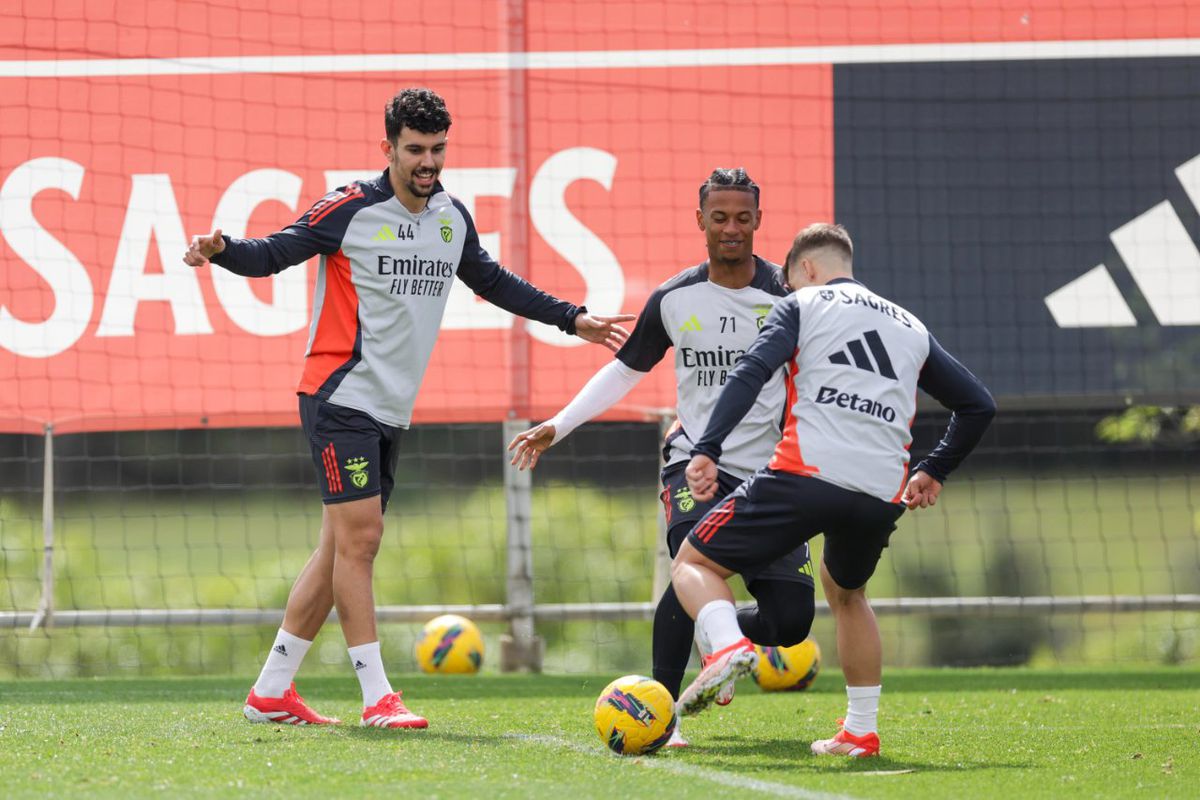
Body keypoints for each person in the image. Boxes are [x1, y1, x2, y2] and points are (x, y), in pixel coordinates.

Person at [182, 88, 633, 730]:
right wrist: (223, 249)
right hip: (339, 396)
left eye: (437, 150)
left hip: (390, 408)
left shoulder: (451, 217)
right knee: (362, 541)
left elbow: (493, 280)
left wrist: (572, 319)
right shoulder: (351, 208)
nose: (427, 162)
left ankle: (271, 690)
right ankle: (378, 697)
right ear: (387, 147)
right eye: (415, 149)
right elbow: (275, 252)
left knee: (337, 548)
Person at [507, 168, 815, 746]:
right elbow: (626, 368)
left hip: (771, 475)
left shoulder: (789, 296)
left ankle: (719, 632)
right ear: (699, 220)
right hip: (695, 465)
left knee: (793, 622)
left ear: (759, 221)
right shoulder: (674, 297)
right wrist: (559, 423)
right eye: (719, 217)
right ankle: (662, 711)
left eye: (742, 218)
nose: (731, 229)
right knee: (688, 571)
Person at [671, 222, 996, 757]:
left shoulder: (804, 304)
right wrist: (934, 468)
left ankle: (726, 646)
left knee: (693, 564)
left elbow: (751, 371)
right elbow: (978, 403)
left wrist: (707, 447)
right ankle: (860, 731)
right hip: (881, 492)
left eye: (792, 283)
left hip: (806, 475)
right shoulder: (911, 326)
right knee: (847, 593)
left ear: (808, 270)